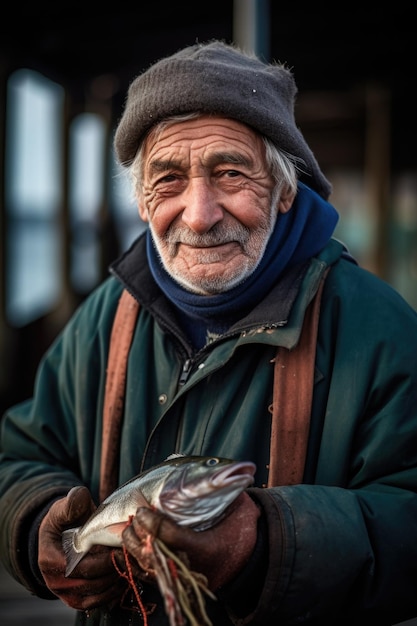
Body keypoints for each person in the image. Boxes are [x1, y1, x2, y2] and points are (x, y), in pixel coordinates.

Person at [1, 39, 417, 626]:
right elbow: (18, 454)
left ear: (285, 188)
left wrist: (268, 548)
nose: (199, 213)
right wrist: (30, 520)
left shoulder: (378, 328)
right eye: (167, 179)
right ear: (143, 204)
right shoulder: (105, 317)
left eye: (230, 172)